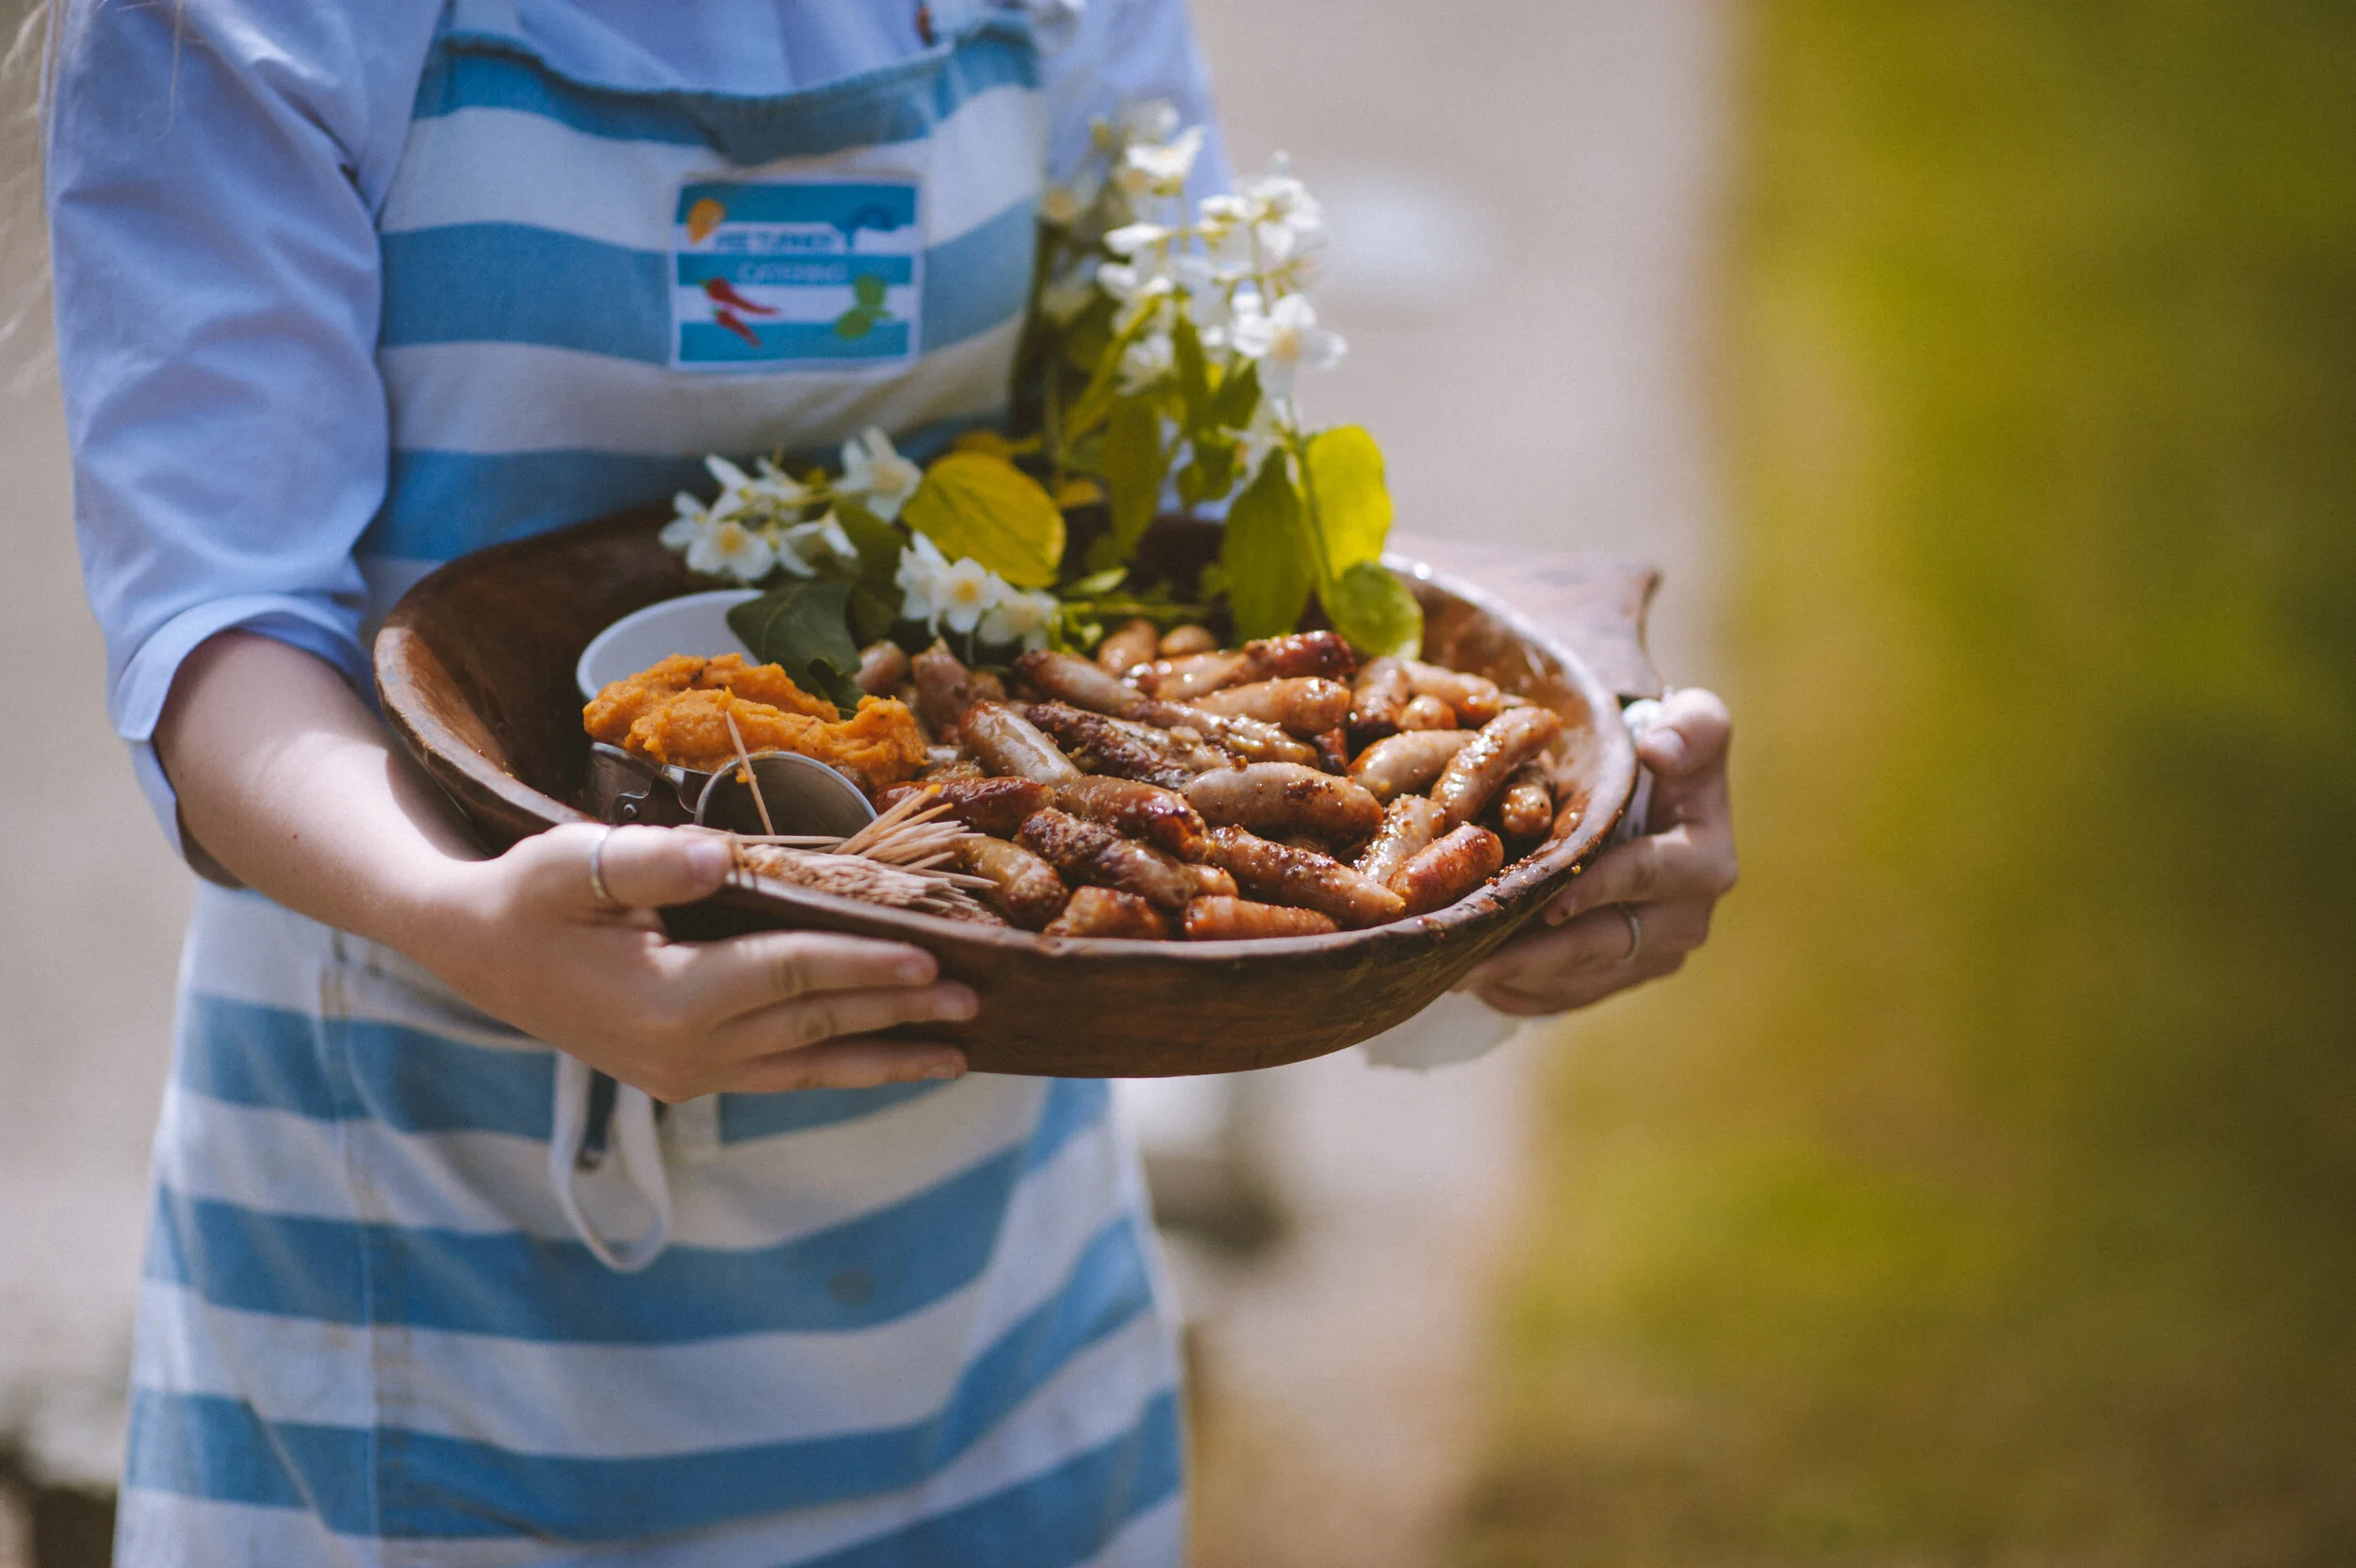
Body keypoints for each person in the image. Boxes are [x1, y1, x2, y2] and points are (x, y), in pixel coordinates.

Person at [42, 0, 1737, 1560]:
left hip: (987, 1298)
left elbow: (1197, 585)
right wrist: (462, 915)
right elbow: (220, 626)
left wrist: (1514, 898)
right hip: (438, 1283)